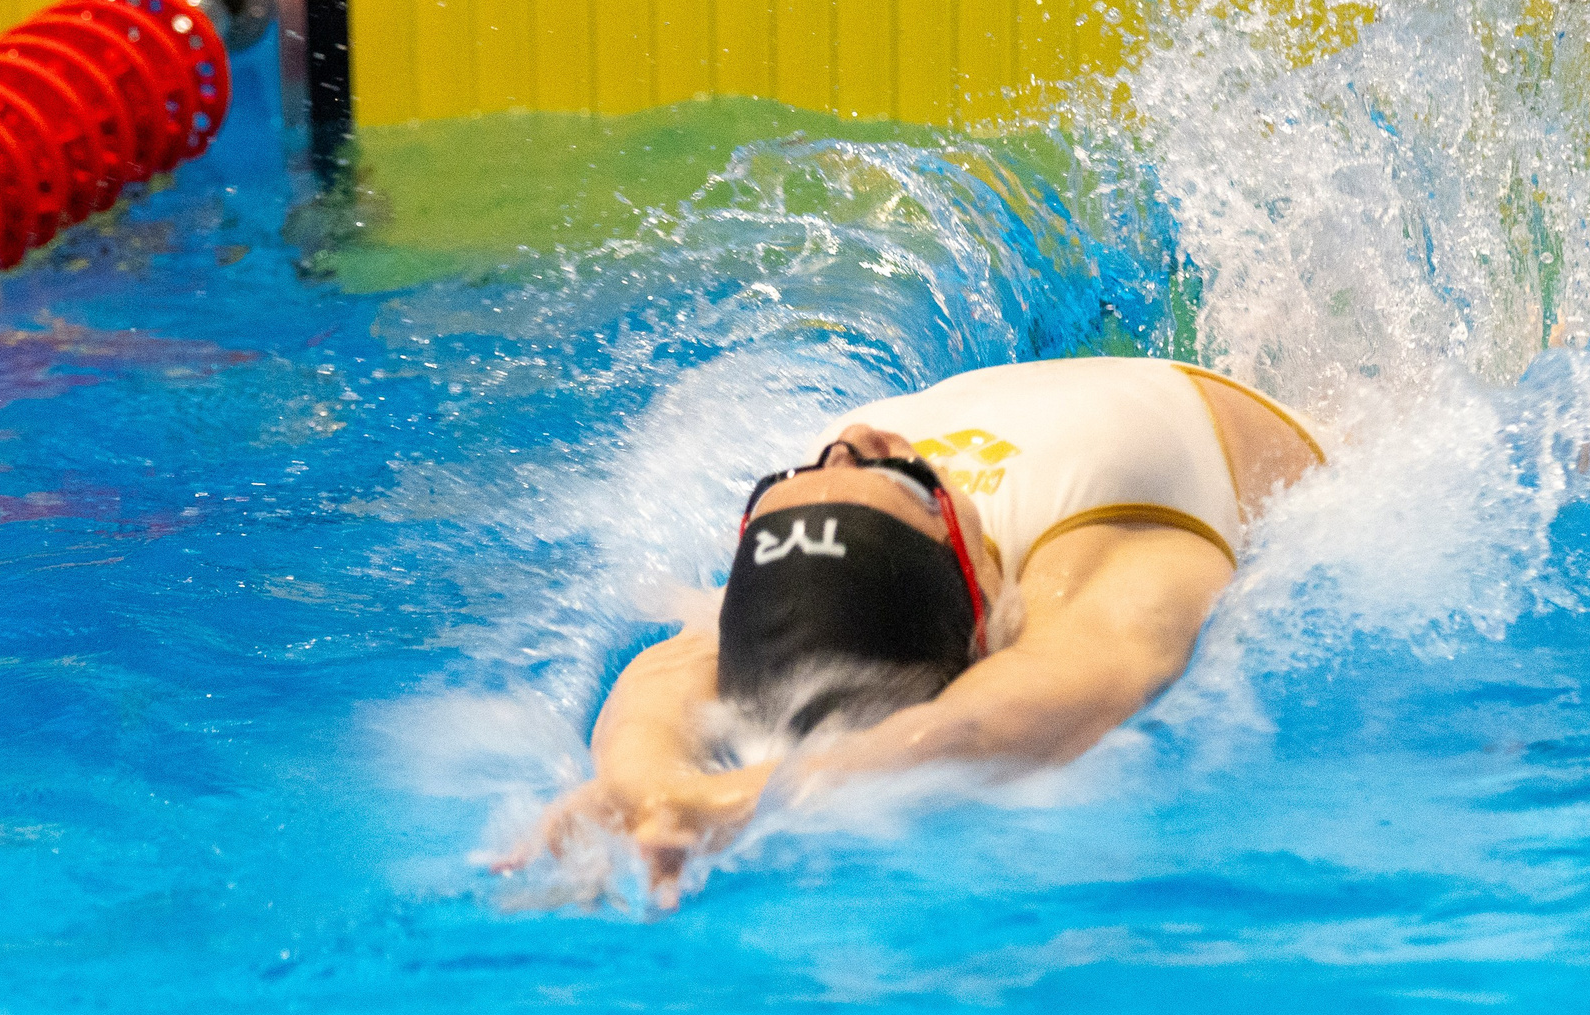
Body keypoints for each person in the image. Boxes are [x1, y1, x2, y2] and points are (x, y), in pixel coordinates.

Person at [498, 356, 1324, 899]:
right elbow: (991, 719)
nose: (852, 439)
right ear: (992, 599)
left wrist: (652, 786)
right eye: (907, 476)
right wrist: (748, 800)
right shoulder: (1108, 535)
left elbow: (673, 674)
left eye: (807, 470)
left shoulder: (815, 520)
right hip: (1284, 374)